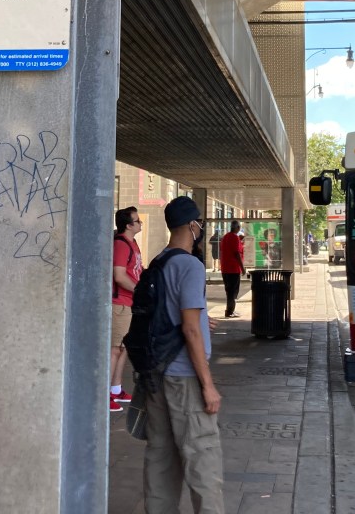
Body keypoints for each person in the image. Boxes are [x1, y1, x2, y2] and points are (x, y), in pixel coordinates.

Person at [143, 196, 224, 514]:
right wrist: (208, 385)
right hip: (185, 377)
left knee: (161, 458)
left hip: (156, 375)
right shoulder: (190, 265)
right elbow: (190, 330)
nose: (201, 229)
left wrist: (203, 320)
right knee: (202, 459)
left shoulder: (159, 261)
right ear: (193, 226)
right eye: (200, 224)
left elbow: (172, 314)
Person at [111, 206, 142, 412]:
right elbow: (119, 276)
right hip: (120, 304)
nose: (140, 224)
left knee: (123, 349)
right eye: (138, 221)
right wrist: (140, 291)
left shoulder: (133, 243)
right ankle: (105, 394)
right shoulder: (121, 245)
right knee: (114, 350)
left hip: (128, 304)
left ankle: (115, 389)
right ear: (129, 225)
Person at [218, 220, 245, 318]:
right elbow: (236, 253)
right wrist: (242, 268)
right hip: (233, 268)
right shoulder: (235, 237)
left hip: (225, 268)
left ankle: (229, 310)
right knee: (233, 291)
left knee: (229, 290)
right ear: (237, 227)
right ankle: (229, 311)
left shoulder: (225, 237)